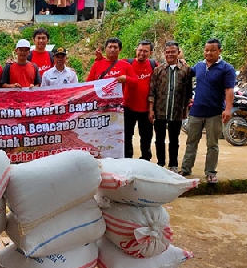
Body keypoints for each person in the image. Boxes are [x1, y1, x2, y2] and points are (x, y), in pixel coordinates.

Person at [179, 38, 236, 183]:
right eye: (206, 50)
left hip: (215, 112)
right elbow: (186, 73)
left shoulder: (226, 69)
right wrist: (181, 58)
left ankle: (210, 172)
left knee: (212, 144)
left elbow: (229, 90)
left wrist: (228, 109)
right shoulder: (199, 66)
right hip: (196, 111)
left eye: (212, 50)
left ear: (219, 51)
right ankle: (185, 169)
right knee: (191, 142)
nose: (208, 53)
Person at [95, 39, 158, 160]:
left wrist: (181, 61)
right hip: (128, 106)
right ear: (136, 50)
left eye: (146, 51)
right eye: (140, 50)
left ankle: (145, 159)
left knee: (146, 136)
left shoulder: (153, 65)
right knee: (127, 135)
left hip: (146, 108)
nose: (142, 53)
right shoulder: (127, 63)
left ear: (150, 52)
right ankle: (128, 158)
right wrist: (99, 58)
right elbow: (110, 61)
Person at [148, 41, 193, 172]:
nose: (170, 54)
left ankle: (173, 165)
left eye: (173, 52)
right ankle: (161, 163)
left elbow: (188, 92)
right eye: (167, 52)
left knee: (174, 140)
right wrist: (151, 110)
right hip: (160, 110)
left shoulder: (186, 70)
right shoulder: (158, 70)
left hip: (176, 111)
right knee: (159, 139)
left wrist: (185, 109)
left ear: (178, 53)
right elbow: (152, 91)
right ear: (164, 53)